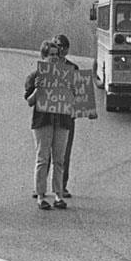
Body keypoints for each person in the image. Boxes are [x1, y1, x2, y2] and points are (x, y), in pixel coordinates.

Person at [25, 40, 73, 210]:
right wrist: (38, 89)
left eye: (56, 55)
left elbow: (77, 99)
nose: (54, 58)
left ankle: (59, 195)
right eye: (50, 55)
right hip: (43, 121)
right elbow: (29, 101)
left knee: (59, 160)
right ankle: (40, 195)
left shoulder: (66, 75)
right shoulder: (34, 75)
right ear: (43, 56)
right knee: (43, 158)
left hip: (62, 121)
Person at [52, 34, 79, 198]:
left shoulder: (73, 68)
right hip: (48, 114)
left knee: (64, 153)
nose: (59, 50)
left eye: (62, 47)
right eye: (56, 46)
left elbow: (81, 92)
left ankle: (62, 185)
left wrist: (83, 108)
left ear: (67, 49)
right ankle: (40, 186)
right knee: (45, 153)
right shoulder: (45, 66)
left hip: (67, 115)